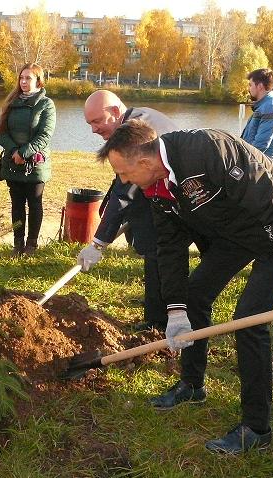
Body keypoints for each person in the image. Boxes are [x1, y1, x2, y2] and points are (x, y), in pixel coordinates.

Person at [98, 119, 273, 454]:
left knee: (250, 319)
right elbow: (170, 247)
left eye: (124, 174)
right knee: (193, 296)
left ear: (144, 162)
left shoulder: (208, 150)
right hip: (235, 232)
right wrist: (175, 309)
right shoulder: (157, 186)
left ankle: (256, 429)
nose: (124, 181)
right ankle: (192, 385)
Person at [78, 90, 177, 331]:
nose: (93, 129)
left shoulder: (137, 133)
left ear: (114, 112)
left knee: (157, 253)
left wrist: (98, 244)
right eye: (90, 123)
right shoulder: (138, 118)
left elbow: (124, 194)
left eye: (97, 121)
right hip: (160, 194)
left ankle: (157, 322)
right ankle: (160, 309)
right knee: (154, 252)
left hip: (174, 200)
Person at [0, 63, 56, 255]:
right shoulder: (11, 102)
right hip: (13, 164)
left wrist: (24, 153)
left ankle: (31, 245)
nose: (23, 82)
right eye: (21, 78)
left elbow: (45, 135)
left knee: (35, 203)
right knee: (16, 204)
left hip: (36, 164)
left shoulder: (46, 104)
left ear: (38, 81)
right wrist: (14, 151)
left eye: (28, 78)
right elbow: (2, 132)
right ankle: (17, 244)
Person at [241, 68, 273, 164]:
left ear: (260, 86)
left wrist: (241, 160)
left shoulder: (270, 107)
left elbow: (260, 146)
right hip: (259, 165)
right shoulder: (264, 106)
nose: (249, 88)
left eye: (251, 85)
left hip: (265, 170)